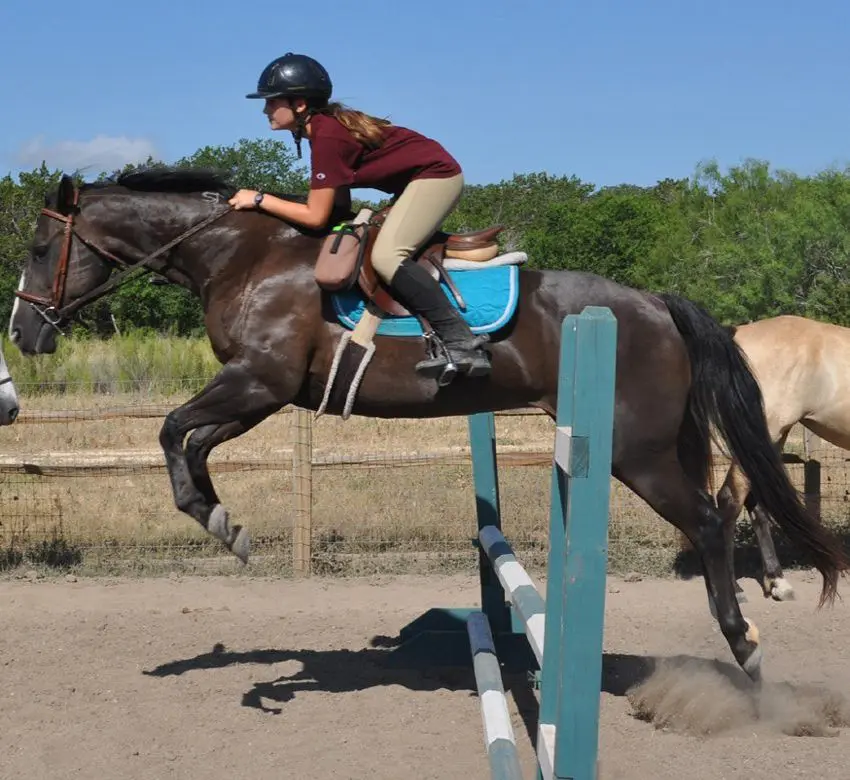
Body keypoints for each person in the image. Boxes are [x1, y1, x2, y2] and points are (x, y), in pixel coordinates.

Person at [229, 52, 491, 380]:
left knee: (386, 256)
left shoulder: (326, 136)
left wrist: (259, 198)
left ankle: (461, 341)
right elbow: (334, 212)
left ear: (299, 104)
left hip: (436, 176)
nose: (265, 108)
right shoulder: (321, 131)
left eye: (271, 101)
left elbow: (314, 215)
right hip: (413, 183)